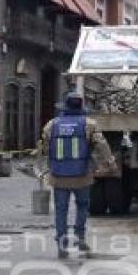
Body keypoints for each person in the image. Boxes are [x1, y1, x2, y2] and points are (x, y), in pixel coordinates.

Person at [40, 91, 114, 259]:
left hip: (58, 175)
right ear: (81, 106)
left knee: (61, 209)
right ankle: (80, 237)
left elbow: (45, 147)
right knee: (82, 206)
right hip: (82, 175)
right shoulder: (89, 124)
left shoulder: (52, 125)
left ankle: (61, 243)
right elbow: (101, 145)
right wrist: (109, 163)